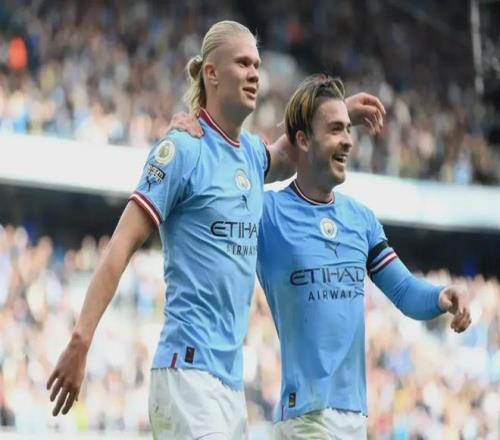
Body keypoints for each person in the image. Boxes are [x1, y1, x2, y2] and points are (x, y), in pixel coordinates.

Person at [46, 20, 385, 439]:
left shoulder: (250, 156)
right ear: (211, 73)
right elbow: (120, 246)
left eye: (257, 65)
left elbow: (289, 150)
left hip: (228, 386)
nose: (254, 74)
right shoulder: (182, 150)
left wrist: (339, 113)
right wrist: (81, 340)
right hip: (186, 375)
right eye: (242, 63)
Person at [256, 74, 472, 439]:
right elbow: (232, 178)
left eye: (348, 129)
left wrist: (442, 296)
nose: (348, 140)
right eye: (336, 129)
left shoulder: (361, 219)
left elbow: (405, 292)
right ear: (303, 140)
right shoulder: (267, 214)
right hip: (305, 419)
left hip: (355, 417)